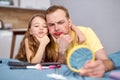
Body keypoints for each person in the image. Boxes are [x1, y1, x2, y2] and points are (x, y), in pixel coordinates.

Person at [45, 5, 114, 78]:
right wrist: (61, 51)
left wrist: (102, 66)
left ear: (69, 23)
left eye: (60, 22)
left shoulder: (86, 32)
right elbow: (60, 70)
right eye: (51, 25)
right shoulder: (47, 40)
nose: (56, 28)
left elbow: (107, 61)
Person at [15, 11, 85, 64]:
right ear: (30, 31)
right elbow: (33, 63)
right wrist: (42, 44)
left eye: (44, 26)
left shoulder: (51, 38)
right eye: (36, 26)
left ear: (48, 30)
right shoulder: (28, 40)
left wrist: (76, 30)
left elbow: (67, 24)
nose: (41, 28)